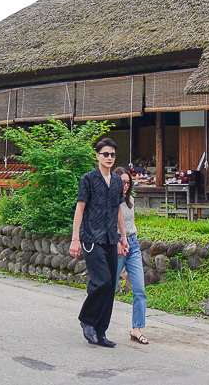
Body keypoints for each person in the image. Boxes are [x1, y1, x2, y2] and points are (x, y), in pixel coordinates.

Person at [69, 137, 129, 347]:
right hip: (91, 238)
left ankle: (101, 330)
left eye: (112, 154)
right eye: (105, 154)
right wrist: (75, 238)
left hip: (111, 239)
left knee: (110, 285)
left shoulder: (117, 183)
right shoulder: (88, 179)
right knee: (102, 280)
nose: (109, 157)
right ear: (97, 156)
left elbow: (119, 211)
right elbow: (80, 208)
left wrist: (123, 237)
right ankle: (87, 319)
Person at [112, 167, 149, 345]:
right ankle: (97, 323)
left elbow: (130, 223)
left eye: (128, 182)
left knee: (140, 288)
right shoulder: (110, 200)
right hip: (117, 244)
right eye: (122, 182)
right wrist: (119, 241)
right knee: (110, 288)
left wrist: (130, 239)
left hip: (133, 244)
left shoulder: (130, 200)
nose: (125, 185)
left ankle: (137, 329)